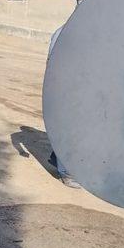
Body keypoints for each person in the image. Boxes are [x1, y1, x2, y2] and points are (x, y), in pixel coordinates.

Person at [46, 25, 81, 189]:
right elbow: (53, 63)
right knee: (68, 130)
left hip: (81, 87)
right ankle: (66, 172)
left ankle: (60, 162)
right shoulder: (63, 32)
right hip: (67, 88)